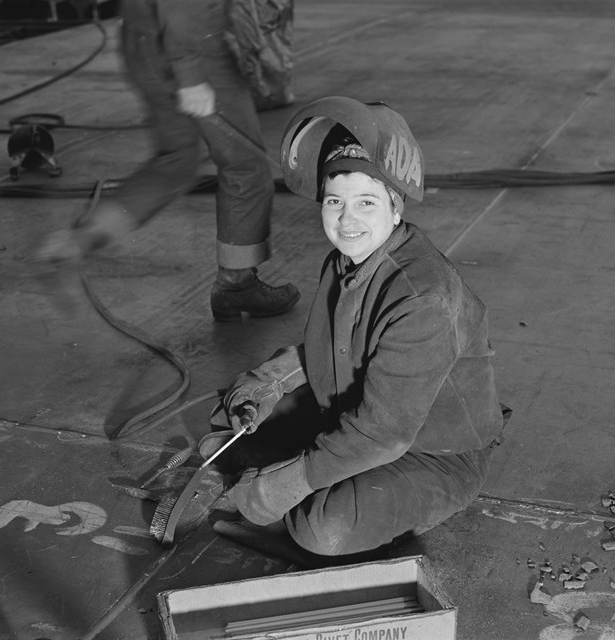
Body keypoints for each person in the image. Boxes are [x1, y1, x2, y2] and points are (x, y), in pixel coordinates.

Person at [201, 96, 509, 557]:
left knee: (324, 529)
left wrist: (285, 484)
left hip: (434, 454)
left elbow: (383, 434)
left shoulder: (424, 298)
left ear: (395, 206)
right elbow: (328, 348)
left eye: (366, 202)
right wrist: (267, 383)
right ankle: (296, 478)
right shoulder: (346, 259)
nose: (348, 219)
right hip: (358, 411)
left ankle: (307, 497)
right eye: (335, 201)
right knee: (227, 424)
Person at [37, 0, 299, 321]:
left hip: (143, 39)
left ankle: (79, 241)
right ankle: (237, 284)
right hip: (191, 44)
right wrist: (189, 73)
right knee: (245, 164)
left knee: (175, 161)